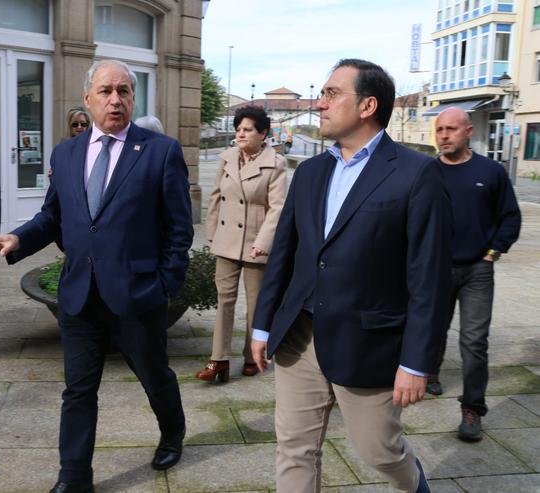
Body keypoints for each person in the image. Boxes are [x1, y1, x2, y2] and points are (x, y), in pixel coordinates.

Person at [0, 59, 193, 493]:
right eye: (106, 91)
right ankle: (73, 477)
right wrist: (17, 239)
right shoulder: (66, 153)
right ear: (87, 98)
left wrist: (166, 284)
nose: (116, 99)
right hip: (79, 295)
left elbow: (178, 229)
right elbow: (53, 215)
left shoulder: (159, 151)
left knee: (154, 375)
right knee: (78, 390)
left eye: (125, 91)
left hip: (136, 293)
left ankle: (172, 432)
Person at [251, 59, 452, 493]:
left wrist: (416, 362)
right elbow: (285, 255)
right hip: (299, 336)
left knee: (379, 449)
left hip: (369, 342)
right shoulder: (310, 172)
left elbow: (429, 279)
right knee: (293, 448)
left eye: (331, 93)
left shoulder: (416, 174)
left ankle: (417, 486)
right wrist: (263, 324)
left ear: (368, 105)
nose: (320, 104)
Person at [428, 106, 521, 441]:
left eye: (451, 129)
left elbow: (510, 216)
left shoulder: (491, 171)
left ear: (468, 131)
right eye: (440, 130)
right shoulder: (426, 172)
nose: (444, 136)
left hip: (477, 271)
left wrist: (493, 252)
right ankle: (430, 371)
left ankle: (472, 408)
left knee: (474, 341)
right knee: (432, 328)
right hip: (436, 269)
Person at [196, 105, 286, 382]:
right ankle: (219, 360)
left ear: (263, 133)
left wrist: (264, 242)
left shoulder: (276, 163)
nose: (240, 135)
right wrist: (213, 232)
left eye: (247, 130)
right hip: (226, 241)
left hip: (255, 243)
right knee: (224, 301)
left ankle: (252, 356)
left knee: (257, 304)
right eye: (238, 130)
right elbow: (215, 197)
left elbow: (278, 208)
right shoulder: (228, 158)